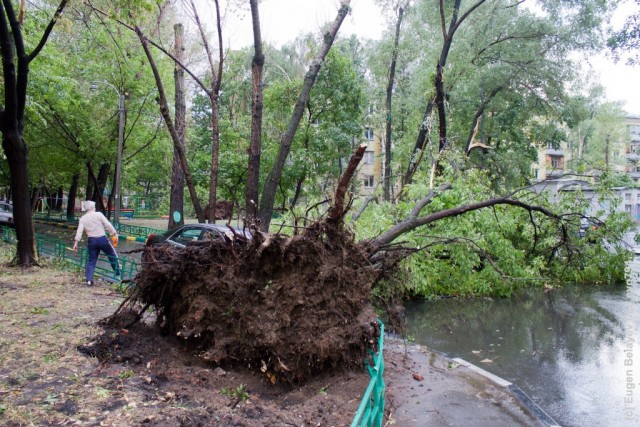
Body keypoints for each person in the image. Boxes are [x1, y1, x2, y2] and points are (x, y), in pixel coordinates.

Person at [72, 200, 121, 285]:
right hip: (102, 239)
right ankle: (118, 275)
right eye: (94, 206)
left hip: (92, 241)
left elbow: (79, 231)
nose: (95, 207)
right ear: (91, 207)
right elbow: (107, 224)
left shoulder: (83, 219)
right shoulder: (98, 214)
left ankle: (89, 280)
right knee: (112, 255)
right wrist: (114, 233)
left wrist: (76, 243)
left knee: (92, 260)